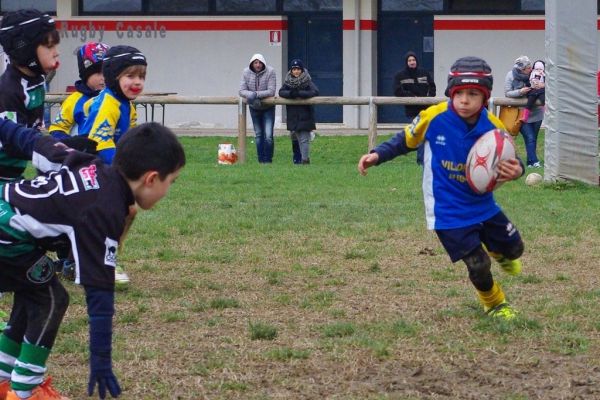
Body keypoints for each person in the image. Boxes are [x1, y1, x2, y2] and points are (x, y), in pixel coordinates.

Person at [0, 120, 185, 400]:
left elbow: (34, 142)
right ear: (151, 178)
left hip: (7, 219)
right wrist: (100, 361)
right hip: (6, 234)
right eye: (171, 182)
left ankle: (3, 380)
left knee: (33, 291)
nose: (168, 191)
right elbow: (99, 296)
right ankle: (26, 391)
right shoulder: (103, 211)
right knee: (51, 299)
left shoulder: (87, 163)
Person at [358, 56, 526, 321]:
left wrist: (517, 171)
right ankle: (495, 303)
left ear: (485, 98)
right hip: (447, 211)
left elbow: (513, 160)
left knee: (516, 250)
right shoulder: (434, 117)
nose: (465, 100)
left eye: (473, 94)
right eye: (459, 93)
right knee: (478, 264)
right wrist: (377, 155)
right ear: (451, 93)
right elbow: (404, 140)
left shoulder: (493, 127)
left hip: (483, 205)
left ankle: (499, 249)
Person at [0, 7, 60, 345]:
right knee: (42, 288)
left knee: (31, 282)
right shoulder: (9, 90)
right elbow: (16, 140)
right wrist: (57, 155)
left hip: (11, 182)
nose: (56, 52)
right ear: (23, 47)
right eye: (48, 45)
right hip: (2, 186)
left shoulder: (34, 80)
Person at [49, 42, 110, 140]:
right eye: (98, 73)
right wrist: (73, 145)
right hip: (82, 153)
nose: (103, 78)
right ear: (86, 75)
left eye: (107, 73)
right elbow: (57, 129)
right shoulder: (74, 100)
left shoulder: (117, 99)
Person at [393, 51, 436, 165]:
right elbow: (397, 91)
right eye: (409, 60)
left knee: (425, 134)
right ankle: (420, 158)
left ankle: (421, 159)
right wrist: (412, 97)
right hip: (411, 110)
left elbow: (432, 87)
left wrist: (428, 98)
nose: (412, 62)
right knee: (416, 134)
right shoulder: (400, 75)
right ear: (406, 62)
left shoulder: (424, 73)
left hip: (426, 109)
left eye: (413, 60)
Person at [504, 55, 543, 168]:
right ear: (521, 69)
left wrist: (539, 86)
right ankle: (535, 161)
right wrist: (520, 92)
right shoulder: (510, 76)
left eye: (531, 66)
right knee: (530, 137)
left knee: (533, 138)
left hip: (536, 112)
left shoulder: (536, 74)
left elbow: (545, 85)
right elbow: (507, 93)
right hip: (520, 113)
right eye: (528, 68)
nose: (531, 69)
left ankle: (530, 162)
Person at [278, 59, 319, 164]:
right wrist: (291, 94)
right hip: (293, 116)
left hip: (305, 115)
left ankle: (305, 160)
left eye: (298, 69)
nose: (296, 71)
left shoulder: (307, 81)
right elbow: (281, 92)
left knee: (304, 139)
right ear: (291, 71)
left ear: (302, 70)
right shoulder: (288, 82)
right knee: (297, 138)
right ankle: (299, 159)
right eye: (294, 69)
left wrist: (300, 93)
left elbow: (315, 91)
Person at [239, 54, 276, 163]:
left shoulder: (270, 71)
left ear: (263, 63)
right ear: (252, 64)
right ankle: (261, 160)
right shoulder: (246, 72)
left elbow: (271, 91)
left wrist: (255, 94)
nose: (258, 65)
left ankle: (268, 160)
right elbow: (241, 90)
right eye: (255, 63)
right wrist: (250, 95)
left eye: (260, 62)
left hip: (268, 107)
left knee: (268, 135)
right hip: (254, 107)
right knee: (259, 134)